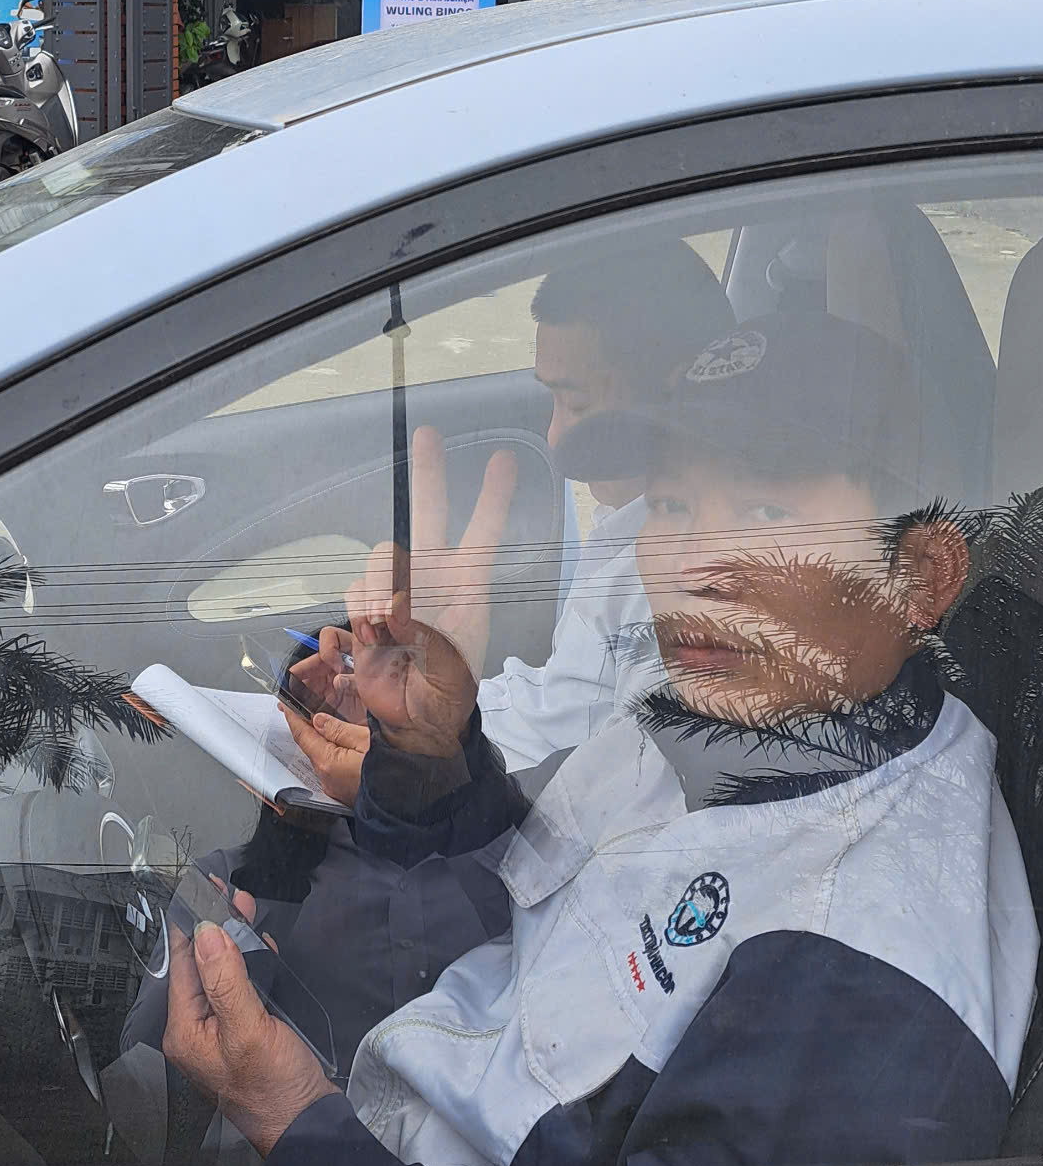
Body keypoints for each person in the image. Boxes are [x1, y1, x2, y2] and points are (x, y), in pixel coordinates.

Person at [163, 308, 1039, 1166]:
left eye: (766, 508)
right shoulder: (756, 711)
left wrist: (292, 1123)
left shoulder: (854, 987)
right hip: (405, 1095)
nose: (690, 564)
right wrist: (429, 755)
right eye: (672, 504)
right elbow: (536, 886)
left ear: (922, 576)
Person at [286, 241, 734, 806]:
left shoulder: (693, 581)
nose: (553, 435)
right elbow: (564, 707)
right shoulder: (624, 531)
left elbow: (623, 808)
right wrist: (404, 702)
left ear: (673, 393)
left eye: (576, 404)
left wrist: (412, 785)